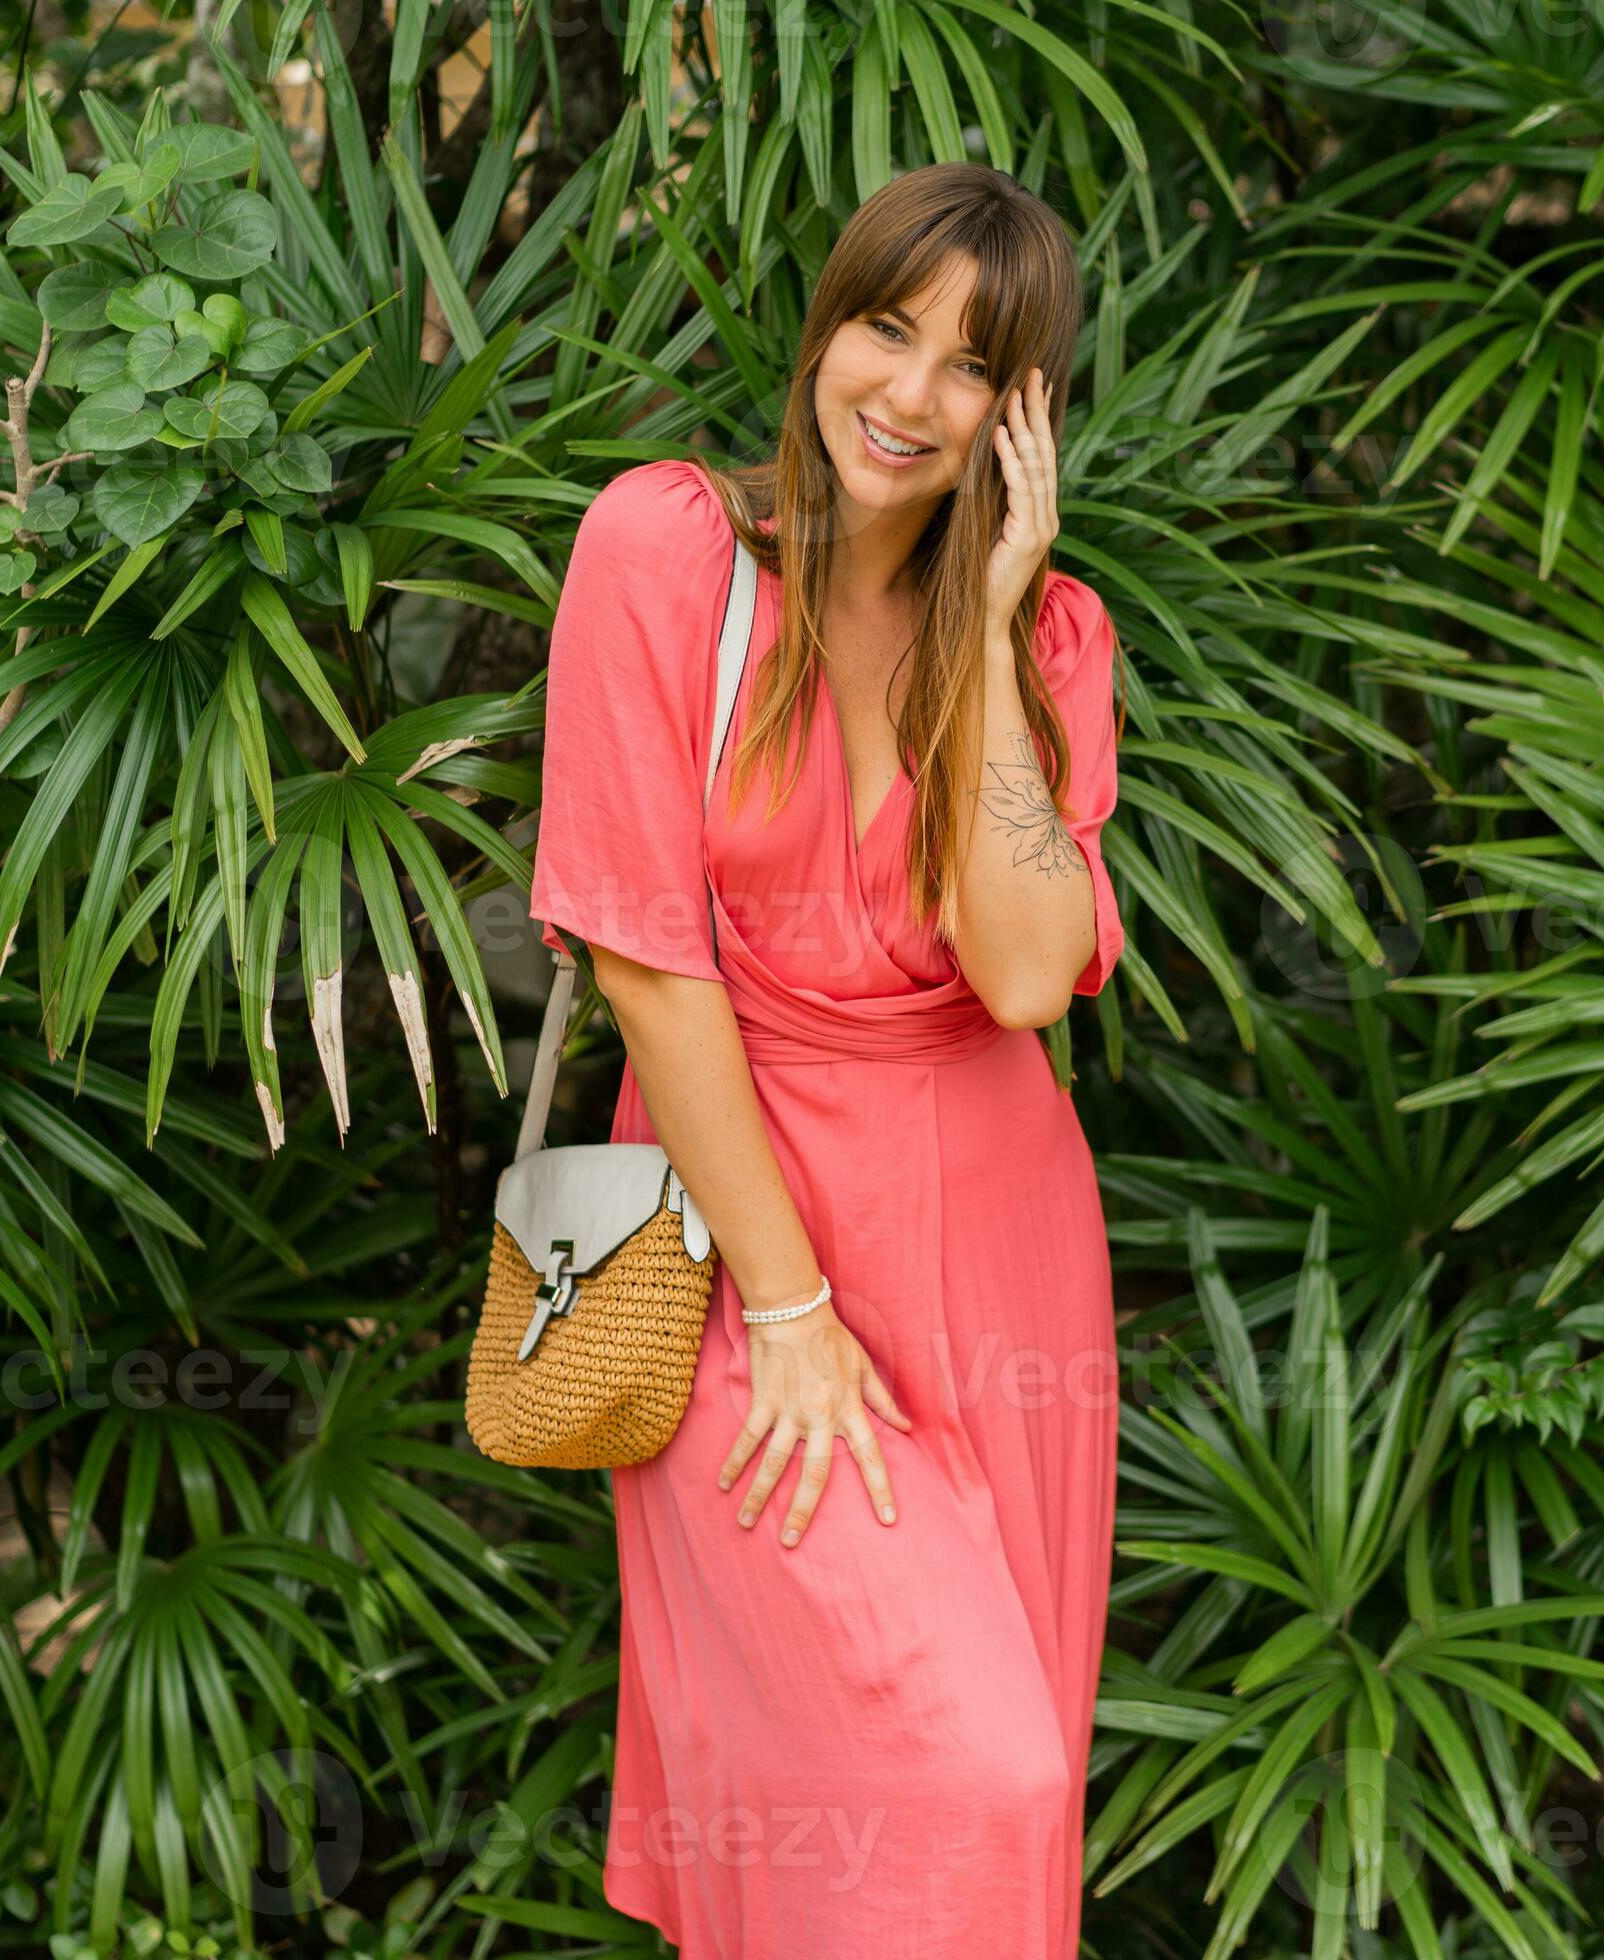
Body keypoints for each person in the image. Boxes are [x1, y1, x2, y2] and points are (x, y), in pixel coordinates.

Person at [522, 161, 1130, 1957]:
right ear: (824, 327)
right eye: (887, 325)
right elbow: (644, 959)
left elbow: (1026, 976)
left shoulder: (1055, 635)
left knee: (967, 1814)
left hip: (1006, 1272)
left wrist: (1004, 618)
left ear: (1022, 415)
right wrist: (788, 1314)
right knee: (963, 1777)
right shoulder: (673, 551)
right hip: (743, 1256)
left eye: (971, 365)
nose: (908, 394)